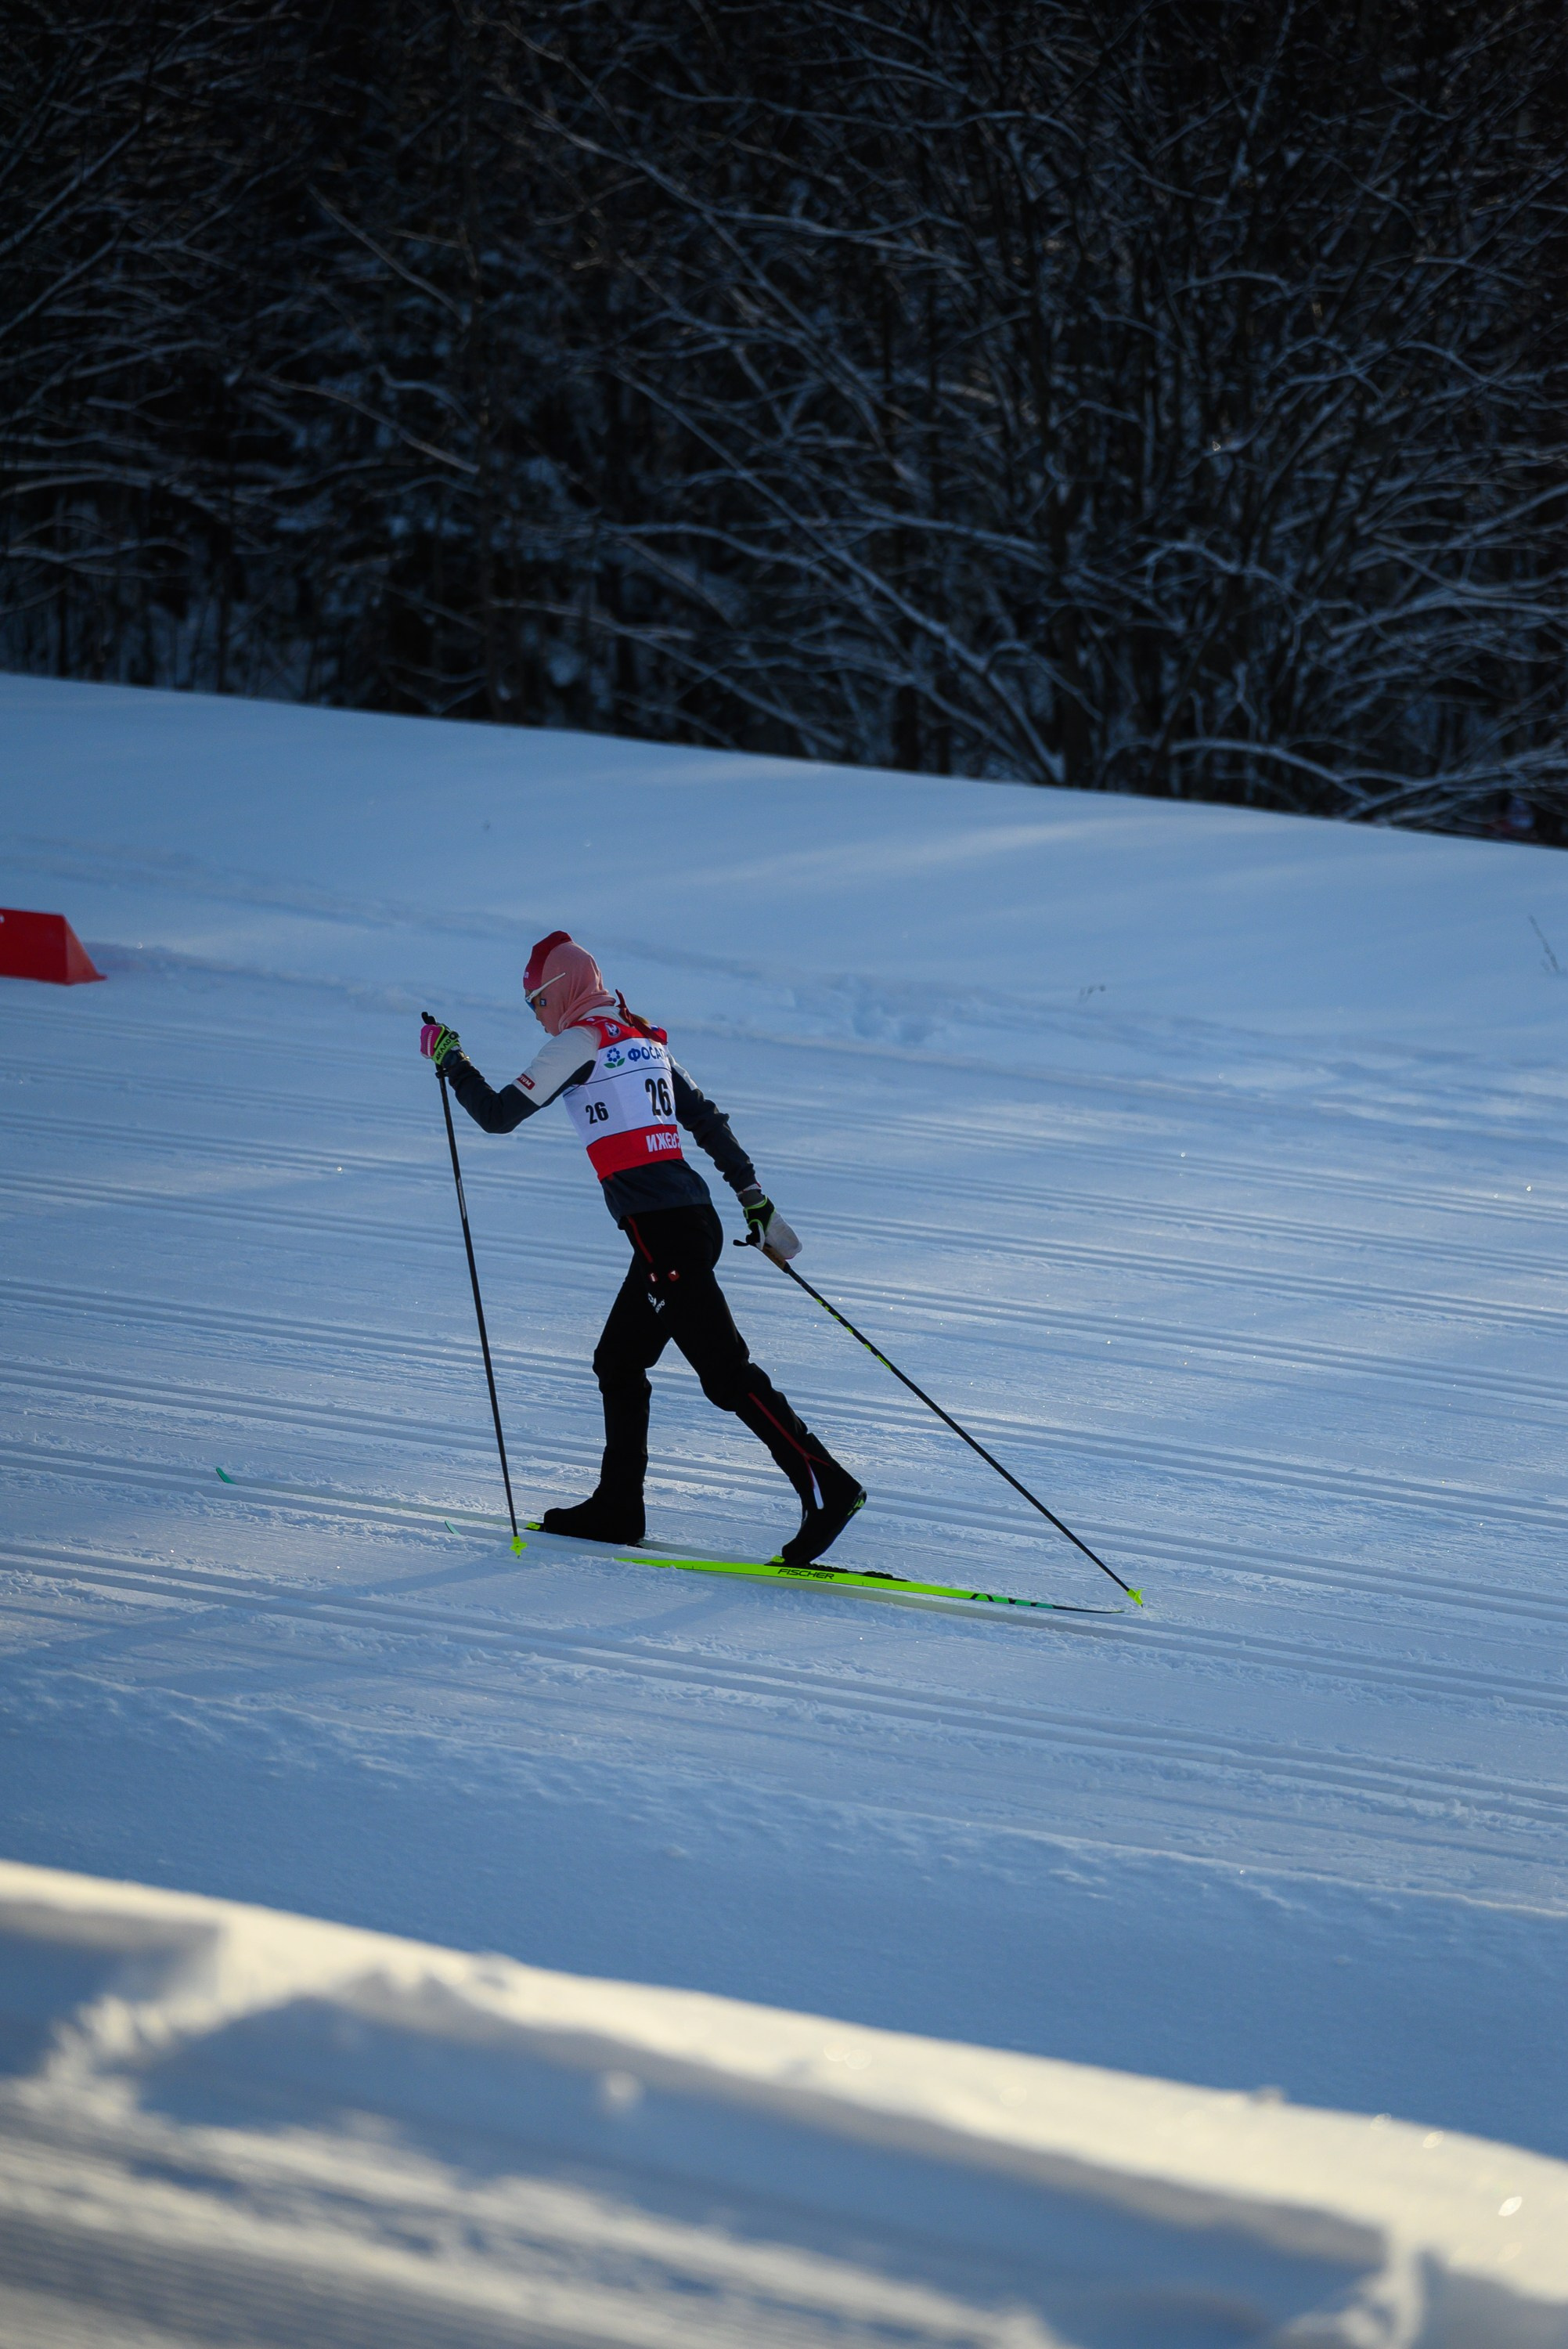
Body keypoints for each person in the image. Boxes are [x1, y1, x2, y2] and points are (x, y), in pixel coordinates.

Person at [420, 930, 865, 1564]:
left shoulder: (577, 1043)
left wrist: (450, 1062)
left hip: (665, 1236)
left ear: (561, 992)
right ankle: (617, 1507)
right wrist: (752, 1196)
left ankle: (829, 1486)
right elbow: (707, 1119)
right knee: (619, 1362)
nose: (538, 1016)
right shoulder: (642, 1041)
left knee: (726, 1374)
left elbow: (496, 1116)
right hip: (685, 1224)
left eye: (535, 1002)